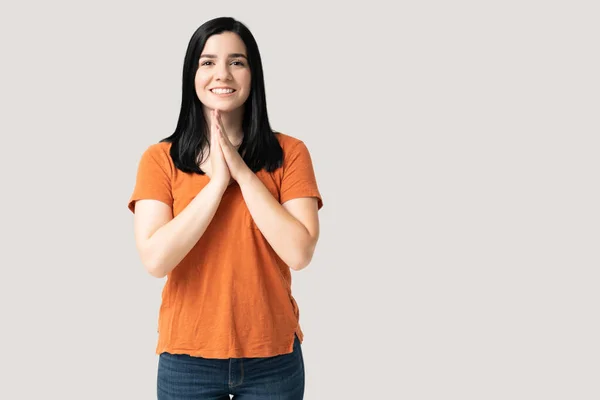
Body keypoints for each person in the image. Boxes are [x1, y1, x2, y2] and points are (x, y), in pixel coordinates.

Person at [127, 16, 323, 399]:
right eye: (207, 62)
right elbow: (155, 260)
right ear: (192, 74)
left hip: (273, 358)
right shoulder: (159, 159)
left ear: (253, 74)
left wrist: (242, 173)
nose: (223, 74)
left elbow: (299, 252)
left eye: (237, 61)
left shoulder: (291, 153)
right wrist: (217, 184)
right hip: (187, 358)